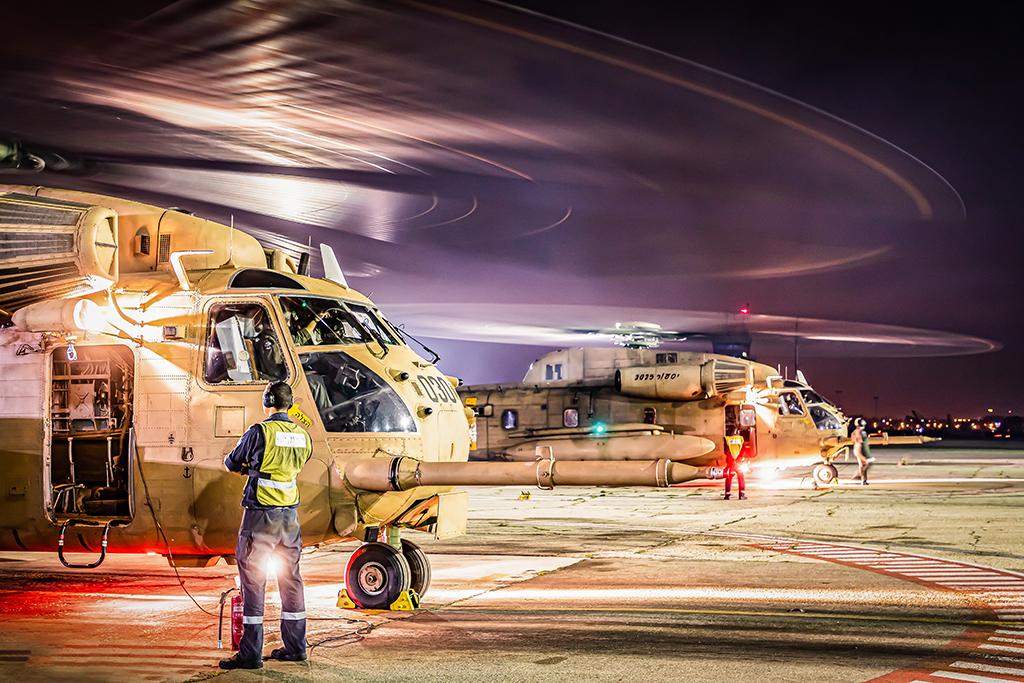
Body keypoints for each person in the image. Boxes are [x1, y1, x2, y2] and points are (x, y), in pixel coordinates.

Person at [219, 381, 313, 670]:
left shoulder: (260, 431)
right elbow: (299, 463)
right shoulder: (302, 435)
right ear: (290, 404)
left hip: (261, 514)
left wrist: (251, 468)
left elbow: (231, 463)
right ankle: (296, 648)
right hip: (290, 517)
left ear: (268, 400)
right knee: (291, 580)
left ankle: (250, 654)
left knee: (253, 581)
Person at [852, 417, 872, 485]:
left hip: (858, 449)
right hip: (858, 450)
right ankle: (859, 476)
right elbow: (860, 440)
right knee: (866, 463)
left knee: (862, 465)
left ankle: (864, 480)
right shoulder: (858, 431)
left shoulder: (857, 431)